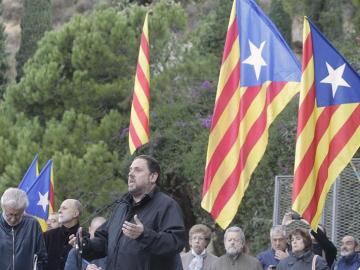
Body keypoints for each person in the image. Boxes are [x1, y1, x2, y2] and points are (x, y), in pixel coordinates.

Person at [72, 155, 186, 270]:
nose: (131, 174)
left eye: (137, 170)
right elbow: (105, 241)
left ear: (153, 177)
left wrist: (143, 235)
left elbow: (175, 243)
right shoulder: (122, 206)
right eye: (130, 170)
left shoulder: (166, 205)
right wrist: (85, 244)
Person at [0, 187, 47, 270]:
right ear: (3, 208)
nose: (13, 219)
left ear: (23, 210)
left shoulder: (33, 224)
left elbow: (41, 256)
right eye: (10, 214)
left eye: (18, 215)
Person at [45, 199, 82, 270]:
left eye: (64, 208)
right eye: (60, 208)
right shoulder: (47, 236)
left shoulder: (85, 238)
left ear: (75, 213)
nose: (59, 211)